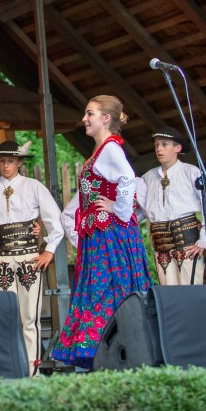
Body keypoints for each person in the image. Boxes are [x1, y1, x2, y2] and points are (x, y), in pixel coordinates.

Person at [53, 96, 151, 369]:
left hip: (109, 234)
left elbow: (128, 179)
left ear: (106, 118)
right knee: (101, 287)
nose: (85, 119)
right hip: (98, 234)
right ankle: (100, 350)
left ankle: (113, 349)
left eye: (90, 114)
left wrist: (118, 208)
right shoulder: (100, 151)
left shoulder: (110, 148)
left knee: (110, 287)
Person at [0, 140, 63, 374]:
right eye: (2, 161)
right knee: (6, 316)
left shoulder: (34, 186)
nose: (6, 165)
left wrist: (49, 250)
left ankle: (31, 371)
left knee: (29, 317)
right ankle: (9, 369)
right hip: (1, 258)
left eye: (11, 161)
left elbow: (55, 221)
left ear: (20, 162)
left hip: (28, 257)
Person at [139, 127, 206, 286]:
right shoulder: (148, 177)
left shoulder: (191, 172)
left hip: (187, 243)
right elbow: (139, 210)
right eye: (157, 145)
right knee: (169, 296)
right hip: (162, 246)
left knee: (190, 291)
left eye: (164, 144)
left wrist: (204, 240)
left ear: (177, 148)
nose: (159, 148)